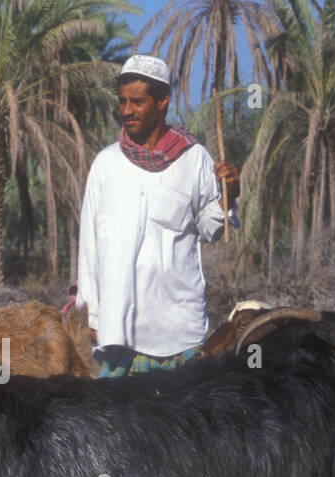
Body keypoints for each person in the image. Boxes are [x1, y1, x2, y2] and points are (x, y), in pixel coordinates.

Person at [76, 54, 240, 377]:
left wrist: (229, 195)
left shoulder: (194, 161)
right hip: (115, 334)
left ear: (162, 101)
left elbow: (211, 230)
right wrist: (91, 317)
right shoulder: (106, 165)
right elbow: (89, 246)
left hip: (178, 334)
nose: (126, 110)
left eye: (137, 102)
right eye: (122, 101)